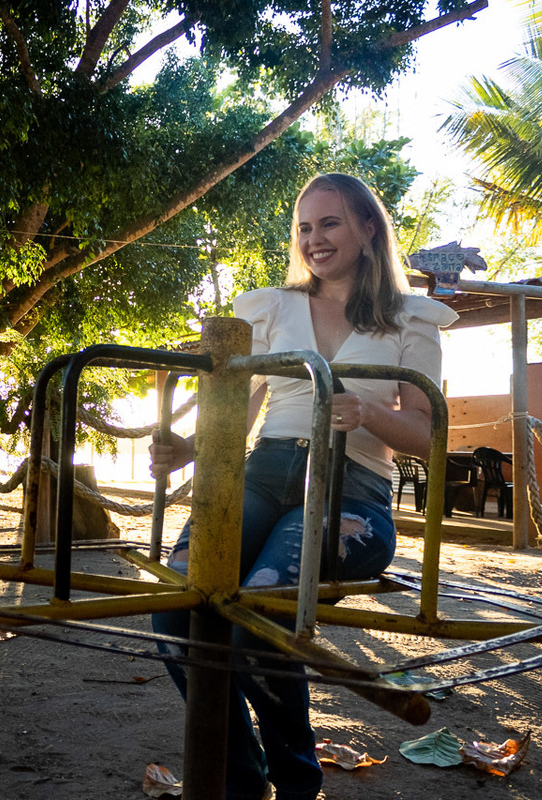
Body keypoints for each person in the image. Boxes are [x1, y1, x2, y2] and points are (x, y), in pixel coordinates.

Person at [150, 173, 457, 800]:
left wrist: (369, 412)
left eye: (331, 223)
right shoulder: (272, 307)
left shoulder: (409, 318)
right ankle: (241, 779)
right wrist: (188, 448)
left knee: (257, 616)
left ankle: (295, 777)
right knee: (177, 610)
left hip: (352, 490)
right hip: (263, 471)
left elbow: (428, 434)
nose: (314, 240)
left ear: (369, 228)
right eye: (305, 228)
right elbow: (241, 404)